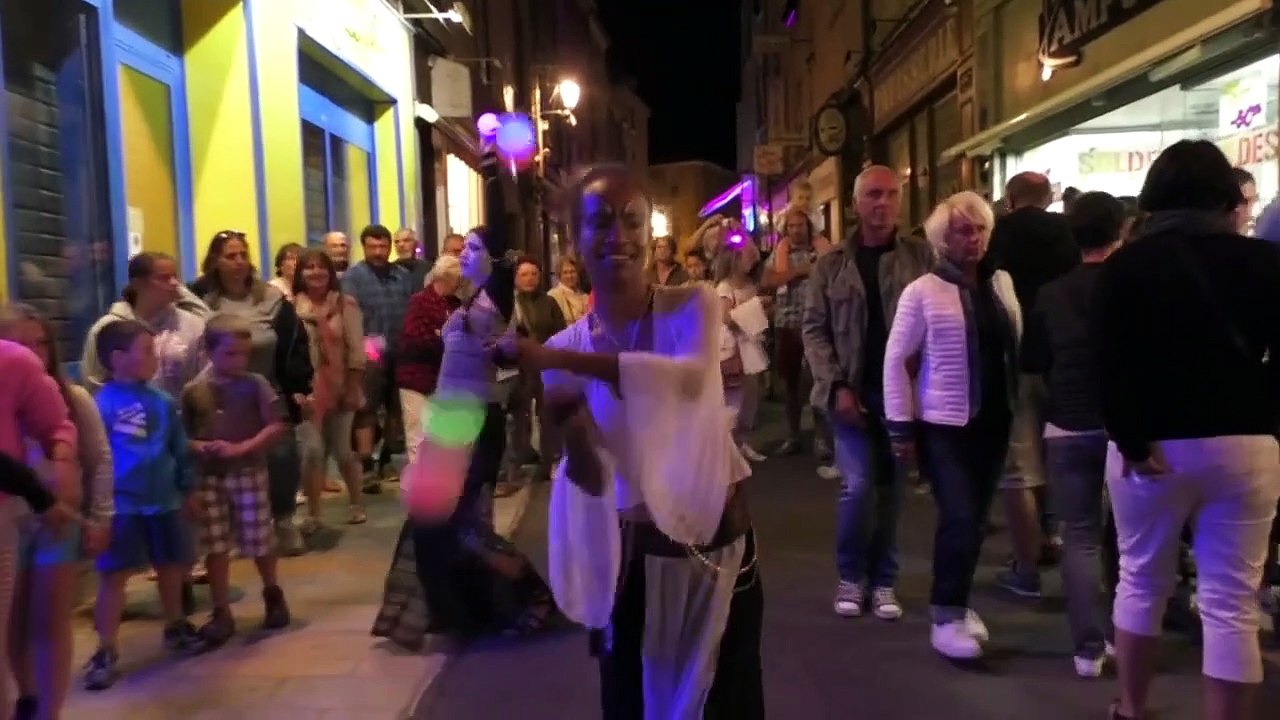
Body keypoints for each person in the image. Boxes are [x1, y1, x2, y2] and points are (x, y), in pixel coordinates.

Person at [516, 164, 763, 718]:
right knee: (631, 700)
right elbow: (589, 476)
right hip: (632, 559)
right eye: (599, 222)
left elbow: (687, 380)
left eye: (632, 220)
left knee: (728, 700)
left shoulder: (692, 304)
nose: (618, 236)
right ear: (574, 239)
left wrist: (556, 361)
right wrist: (571, 424)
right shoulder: (564, 343)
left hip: (717, 547)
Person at [1094, 139, 1280, 720]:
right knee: (1231, 603)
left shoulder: (1128, 266)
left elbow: (1109, 362)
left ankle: (1132, 707)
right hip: (1245, 444)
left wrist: (1129, 439)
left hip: (1154, 447)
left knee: (1142, 584)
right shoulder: (1265, 263)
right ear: (1226, 194)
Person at [379, 147, 556, 644]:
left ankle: (528, 595)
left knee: (458, 525)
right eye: (465, 250)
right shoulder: (468, 303)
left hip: (476, 420)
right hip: (450, 417)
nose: (465, 256)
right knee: (431, 524)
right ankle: (455, 613)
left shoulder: (495, 294)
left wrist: (494, 170)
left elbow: (502, 232)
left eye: (475, 250)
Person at [884, 191, 1020, 660]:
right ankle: (945, 614)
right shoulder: (921, 291)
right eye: (964, 229)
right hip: (944, 423)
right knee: (960, 516)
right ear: (943, 238)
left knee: (978, 521)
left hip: (996, 419)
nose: (975, 237)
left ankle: (957, 603)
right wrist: (901, 427)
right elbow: (897, 361)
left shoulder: (1001, 283)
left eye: (981, 228)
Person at [804, 165, 934, 621]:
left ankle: (884, 580)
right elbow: (814, 329)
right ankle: (850, 575)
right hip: (852, 393)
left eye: (890, 195)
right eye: (873, 195)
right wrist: (836, 385)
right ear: (856, 204)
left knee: (892, 492)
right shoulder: (831, 264)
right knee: (858, 487)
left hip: (902, 395)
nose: (882, 204)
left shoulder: (921, 258)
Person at [1021, 191, 1125, 678]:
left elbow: (1034, 360)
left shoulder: (1051, 293)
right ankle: (1126, 635)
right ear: (1120, 230)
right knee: (1127, 537)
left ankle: (1088, 647)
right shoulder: (1133, 285)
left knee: (1079, 535)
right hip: (1127, 426)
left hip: (1067, 423)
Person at [1, 305, 113, 720]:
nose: (32, 353)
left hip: (57, 520)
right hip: (14, 519)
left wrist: (101, 515)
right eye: (20, 343)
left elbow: (99, 459)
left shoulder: (72, 397)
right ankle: (26, 697)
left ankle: (51, 709)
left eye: (40, 344)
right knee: (12, 621)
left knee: (50, 619)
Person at [83, 320, 201, 691]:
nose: (155, 358)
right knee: (114, 576)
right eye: (147, 351)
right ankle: (105, 647)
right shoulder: (100, 405)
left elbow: (179, 449)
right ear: (118, 358)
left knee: (171, 566)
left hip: (164, 500)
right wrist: (96, 505)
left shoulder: (164, 401)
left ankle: (176, 625)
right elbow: (95, 459)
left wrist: (188, 487)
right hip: (123, 506)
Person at [985, 171, 1079, 598]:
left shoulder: (997, 233)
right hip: (1061, 359)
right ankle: (1056, 535)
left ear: (1009, 199)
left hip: (1014, 359)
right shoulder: (1066, 233)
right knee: (1059, 455)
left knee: (1018, 469)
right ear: (1047, 198)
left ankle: (1026, 568)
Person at [196, 232, 314, 555]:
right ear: (215, 262)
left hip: (267, 390)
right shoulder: (201, 299)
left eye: (242, 255)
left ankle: (284, 520)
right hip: (220, 395)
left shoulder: (270, 299)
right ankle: (235, 530)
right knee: (229, 463)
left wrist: (300, 388)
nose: (238, 262)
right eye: (230, 256)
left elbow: (295, 344)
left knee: (281, 458)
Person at [182, 314, 293, 646]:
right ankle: (221, 610)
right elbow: (182, 435)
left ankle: (272, 592)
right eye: (230, 353)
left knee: (259, 536)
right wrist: (200, 447)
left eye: (244, 354)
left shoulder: (255, 383)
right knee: (215, 545)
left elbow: (275, 424)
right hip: (209, 475)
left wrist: (244, 446)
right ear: (209, 350)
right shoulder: (194, 390)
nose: (239, 361)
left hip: (247, 470)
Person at [292, 248, 368, 528]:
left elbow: (357, 350)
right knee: (312, 452)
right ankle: (314, 513)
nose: (316, 272)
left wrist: (352, 386)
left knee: (342, 450)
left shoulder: (344, 304)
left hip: (340, 385)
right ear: (300, 273)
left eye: (321, 266)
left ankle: (356, 502)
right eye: (309, 267)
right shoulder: (291, 307)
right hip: (308, 390)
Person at [342, 224, 413, 488]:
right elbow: (350, 315)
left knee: (397, 409)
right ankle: (366, 464)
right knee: (366, 409)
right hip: (368, 354)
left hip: (401, 351)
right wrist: (363, 351)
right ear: (364, 247)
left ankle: (386, 459)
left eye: (383, 247)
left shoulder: (402, 275)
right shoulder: (353, 278)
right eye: (373, 247)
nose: (378, 252)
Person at [761, 205, 834, 458]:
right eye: (791, 226)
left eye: (800, 225)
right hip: (787, 325)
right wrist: (798, 272)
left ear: (809, 226)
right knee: (790, 384)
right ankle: (793, 436)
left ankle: (822, 439)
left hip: (818, 325)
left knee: (819, 381)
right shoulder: (779, 252)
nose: (795, 230)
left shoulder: (823, 250)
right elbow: (767, 281)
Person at [82, 251, 207, 399]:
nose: (174, 284)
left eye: (175, 277)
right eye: (164, 278)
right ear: (138, 284)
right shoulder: (107, 328)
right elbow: (94, 382)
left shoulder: (194, 325)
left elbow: (203, 378)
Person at [548, 256, 590, 326]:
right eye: (565, 273)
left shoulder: (585, 296)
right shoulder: (552, 296)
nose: (569, 276)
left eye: (572, 272)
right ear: (559, 275)